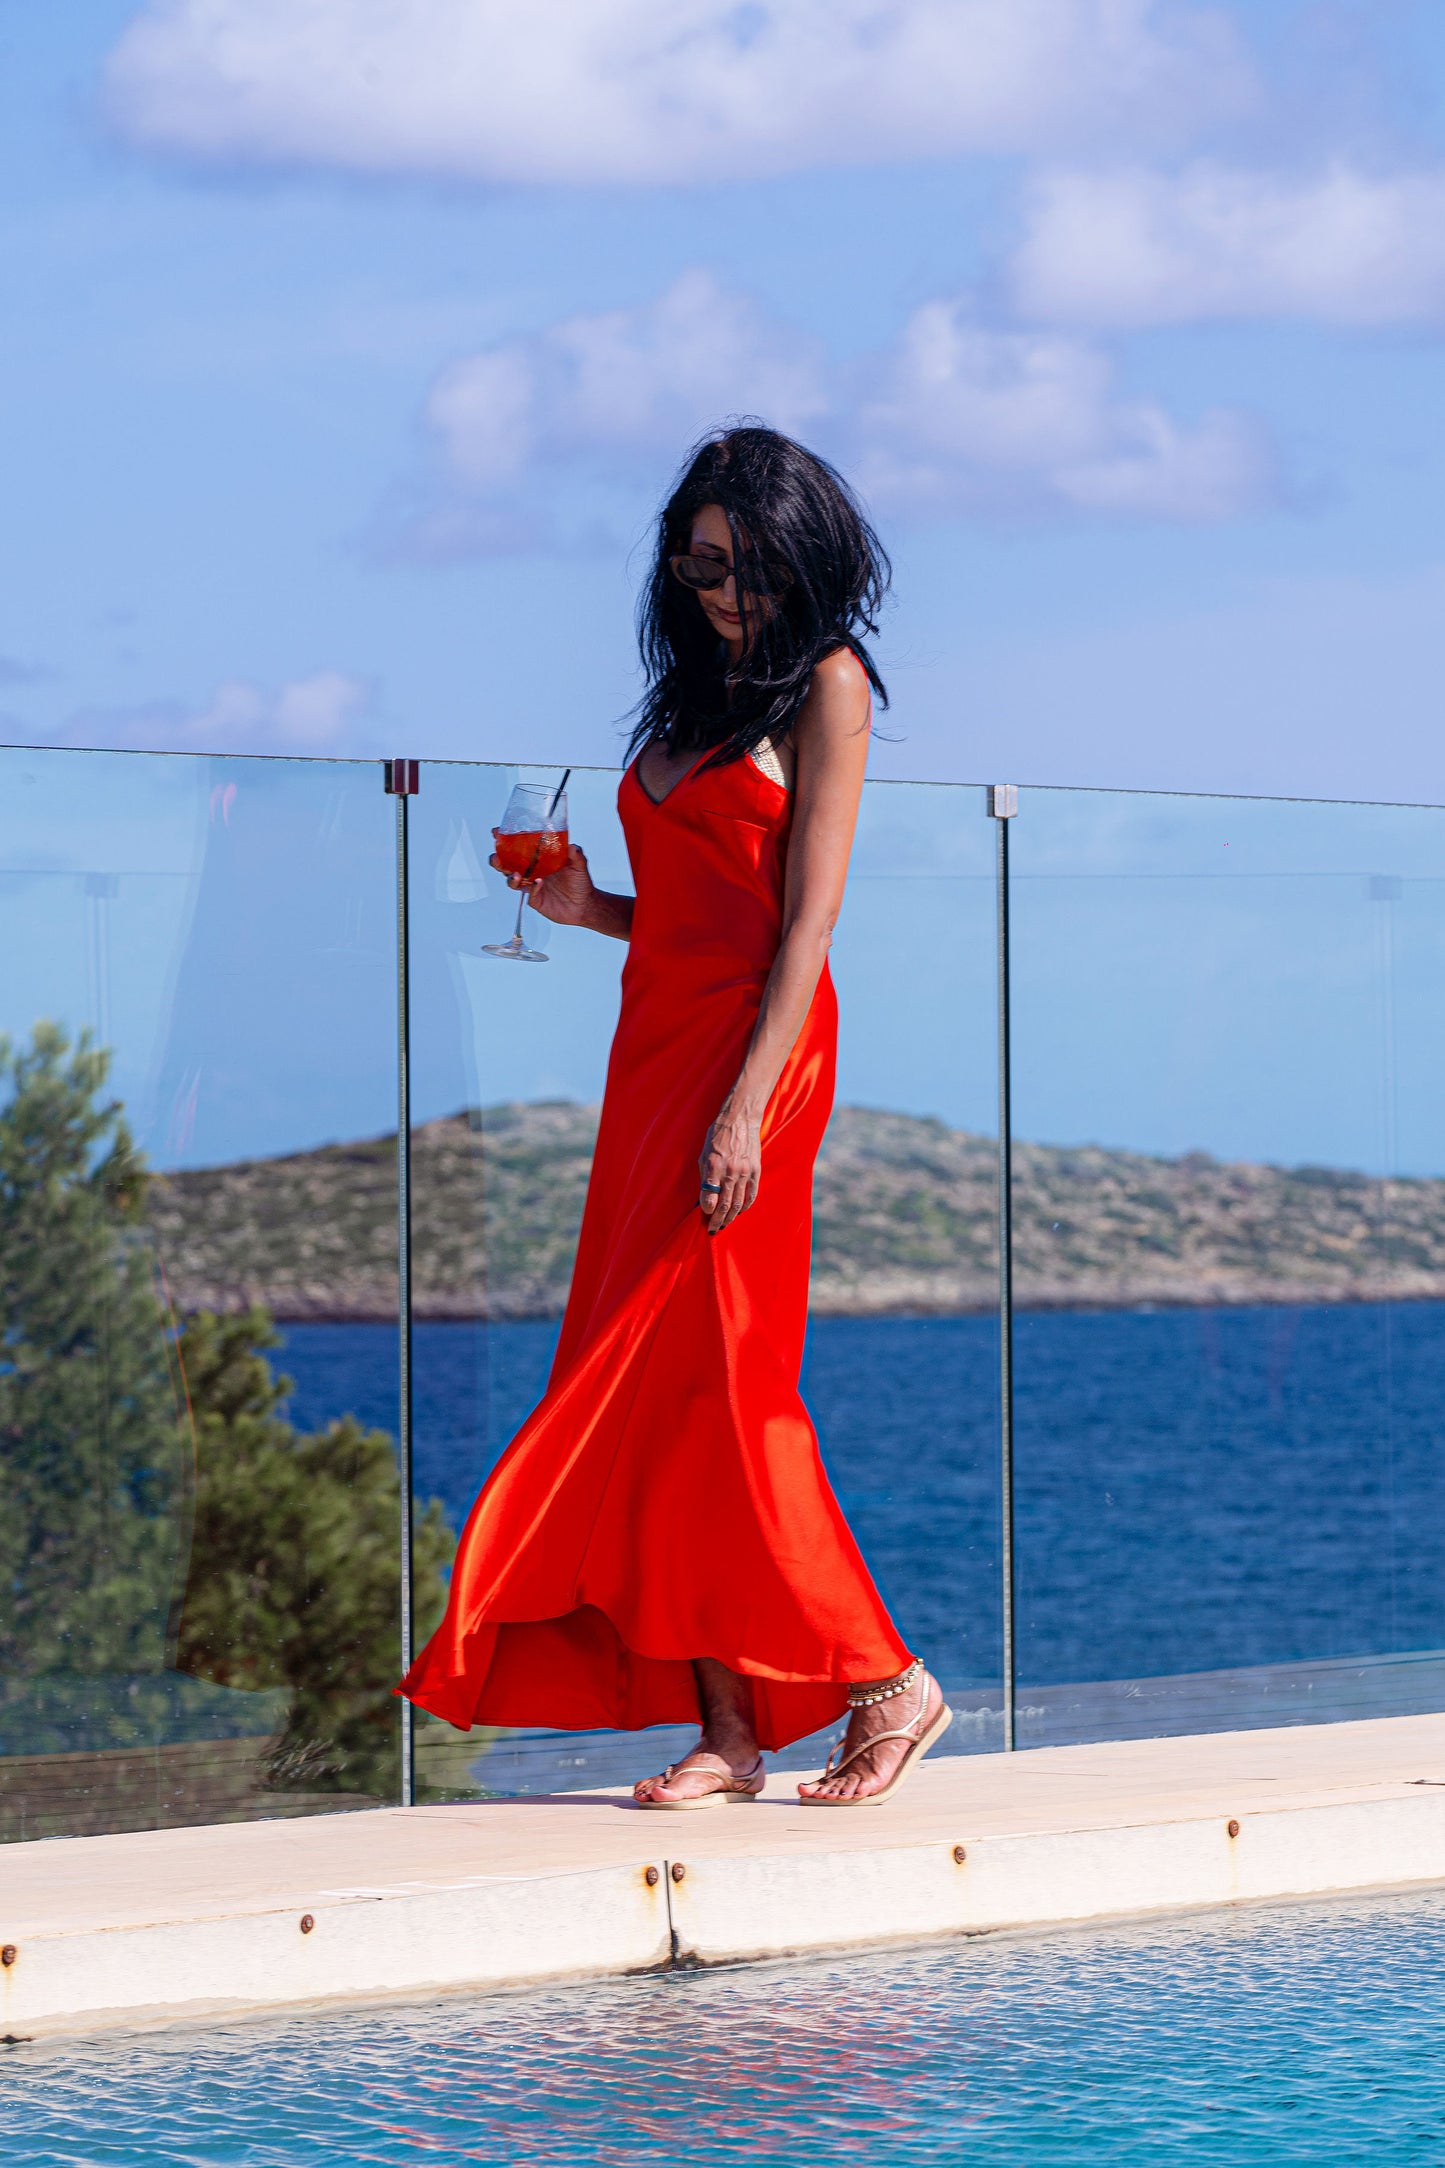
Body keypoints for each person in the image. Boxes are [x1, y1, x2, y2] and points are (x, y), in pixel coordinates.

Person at [399, 425, 950, 1806]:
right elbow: (696, 917)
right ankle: (731, 1730)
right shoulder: (691, 696)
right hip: (651, 1059)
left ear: (805, 560)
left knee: (732, 1387)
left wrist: (744, 1112)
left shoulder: (827, 687)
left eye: (750, 569)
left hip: (757, 1060)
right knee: (656, 1397)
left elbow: (803, 927)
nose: (725, 594)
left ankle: (887, 1678)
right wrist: (589, 907)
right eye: (701, 567)